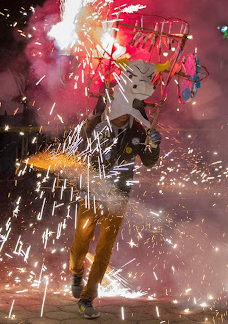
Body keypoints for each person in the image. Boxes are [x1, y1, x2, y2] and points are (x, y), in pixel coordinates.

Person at [68, 60, 163, 319]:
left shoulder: (138, 130)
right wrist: (92, 137)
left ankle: (88, 298)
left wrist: (154, 146)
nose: (123, 112)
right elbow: (76, 152)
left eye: (130, 107)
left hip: (118, 196)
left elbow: (150, 162)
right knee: (80, 243)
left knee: (105, 249)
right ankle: (76, 273)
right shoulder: (94, 127)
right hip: (91, 192)